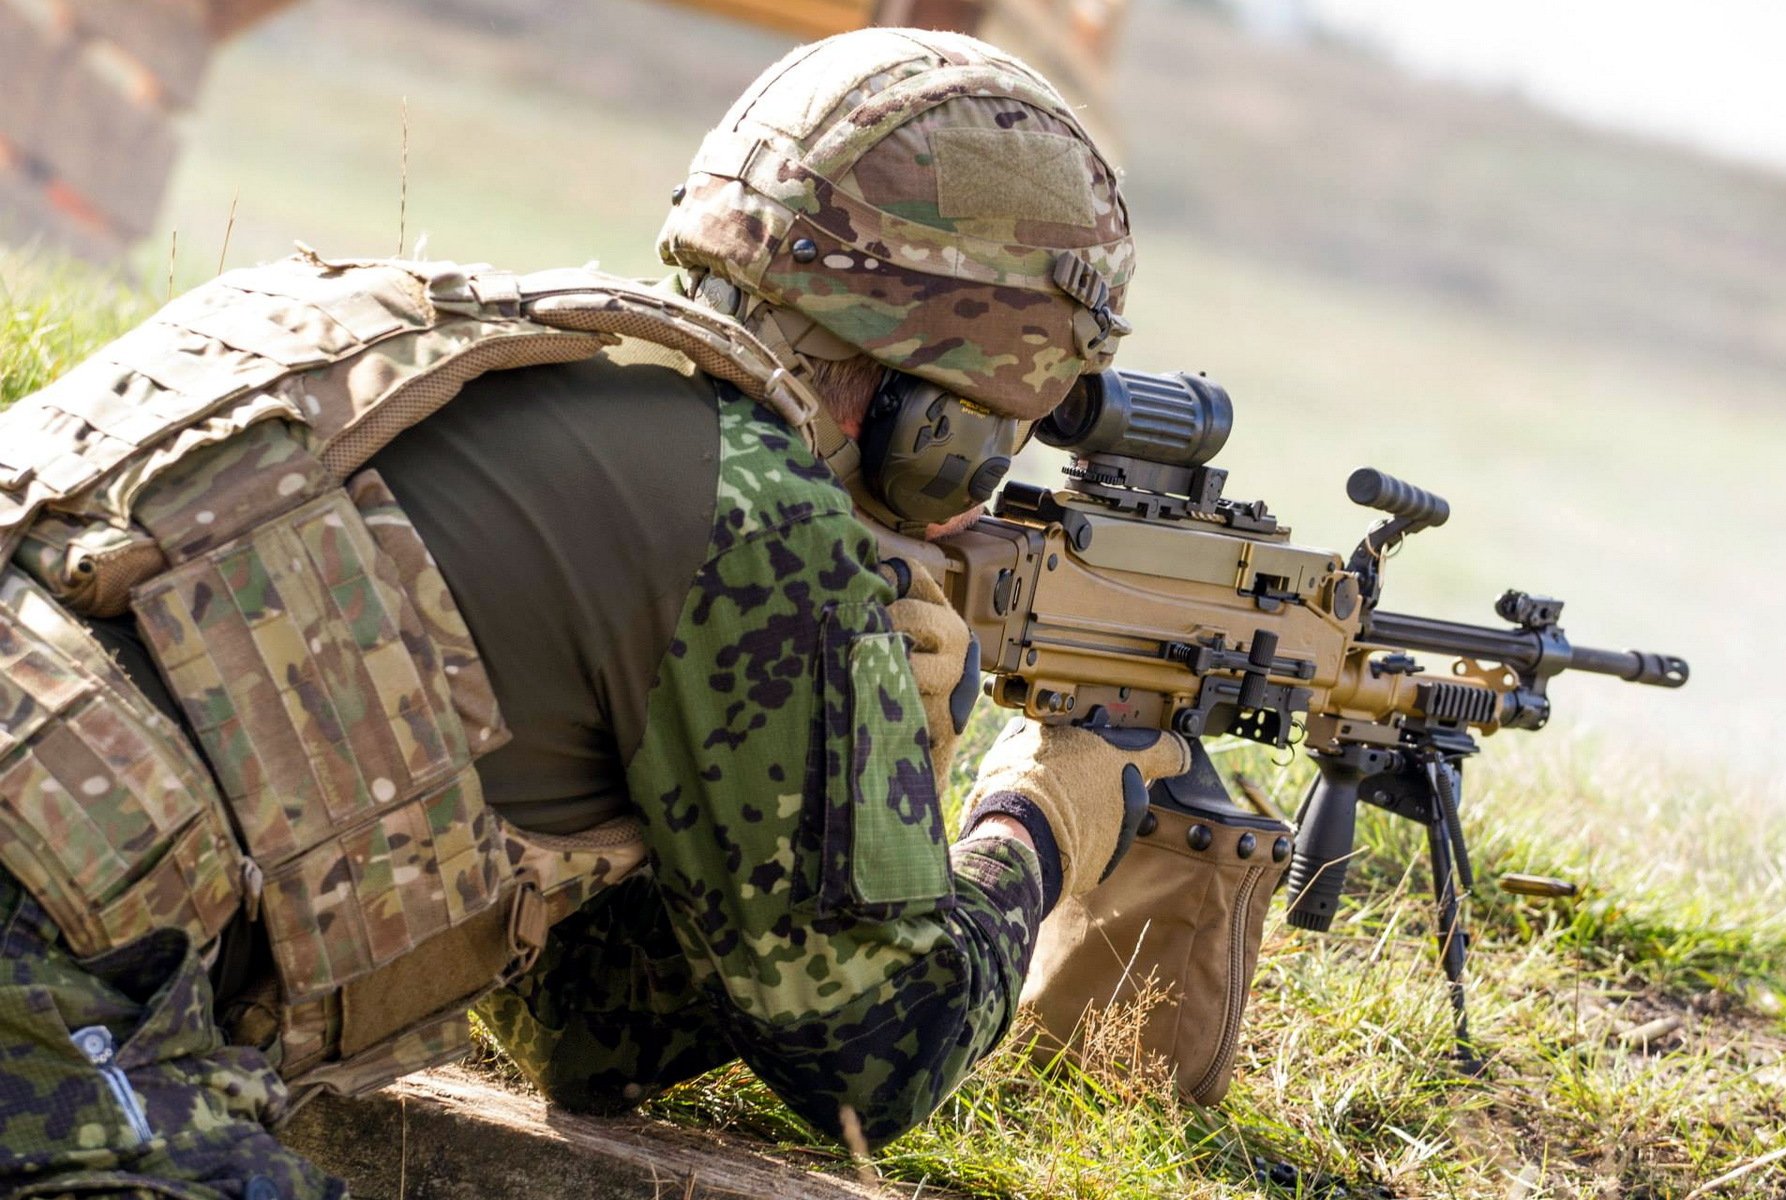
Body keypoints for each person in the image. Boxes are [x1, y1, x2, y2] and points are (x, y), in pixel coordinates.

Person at [0, 26, 1186, 1200]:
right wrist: (1036, 816)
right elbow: (883, 1057)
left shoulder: (457, 352)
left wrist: (856, 776)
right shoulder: (760, 513)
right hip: (47, 943)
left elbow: (580, 1034)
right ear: (945, 428)